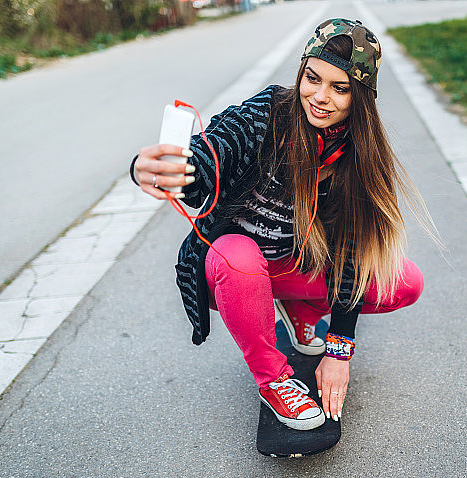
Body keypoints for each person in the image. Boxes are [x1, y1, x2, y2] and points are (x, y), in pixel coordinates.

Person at [130, 18, 428, 431]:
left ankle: (298, 305)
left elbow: (350, 253)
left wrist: (340, 352)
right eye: (312, 78)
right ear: (301, 72)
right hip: (231, 272)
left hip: (292, 262)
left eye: (340, 88)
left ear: (360, 96)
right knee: (239, 257)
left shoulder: (354, 155)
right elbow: (220, 146)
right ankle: (273, 379)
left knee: (405, 282)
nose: (320, 98)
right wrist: (180, 170)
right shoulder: (266, 116)